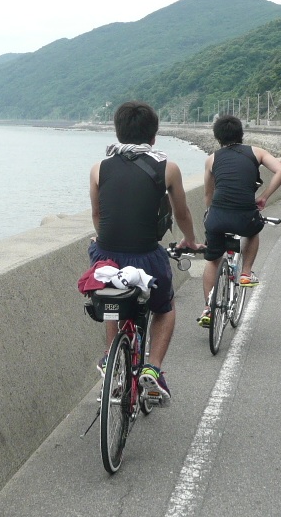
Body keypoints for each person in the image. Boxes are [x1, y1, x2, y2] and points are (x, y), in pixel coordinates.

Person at [90, 101, 200, 406]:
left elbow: (98, 215)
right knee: (164, 307)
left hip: (106, 258)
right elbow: (182, 213)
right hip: (146, 257)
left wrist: (104, 241)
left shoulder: (99, 168)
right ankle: (153, 368)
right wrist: (190, 241)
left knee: (112, 297)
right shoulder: (168, 168)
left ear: (117, 132)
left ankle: (111, 359)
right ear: (154, 136)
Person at [198, 115, 281, 327]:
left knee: (212, 260)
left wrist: (210, 213)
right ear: (241, 134)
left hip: (217, 215)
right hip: (244, 214)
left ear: (217, 137)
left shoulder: (211, 159)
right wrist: (264, 196)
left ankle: (208, 309)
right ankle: (246, 273)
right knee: (253, 231)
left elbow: (208, 194)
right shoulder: (257, 152)